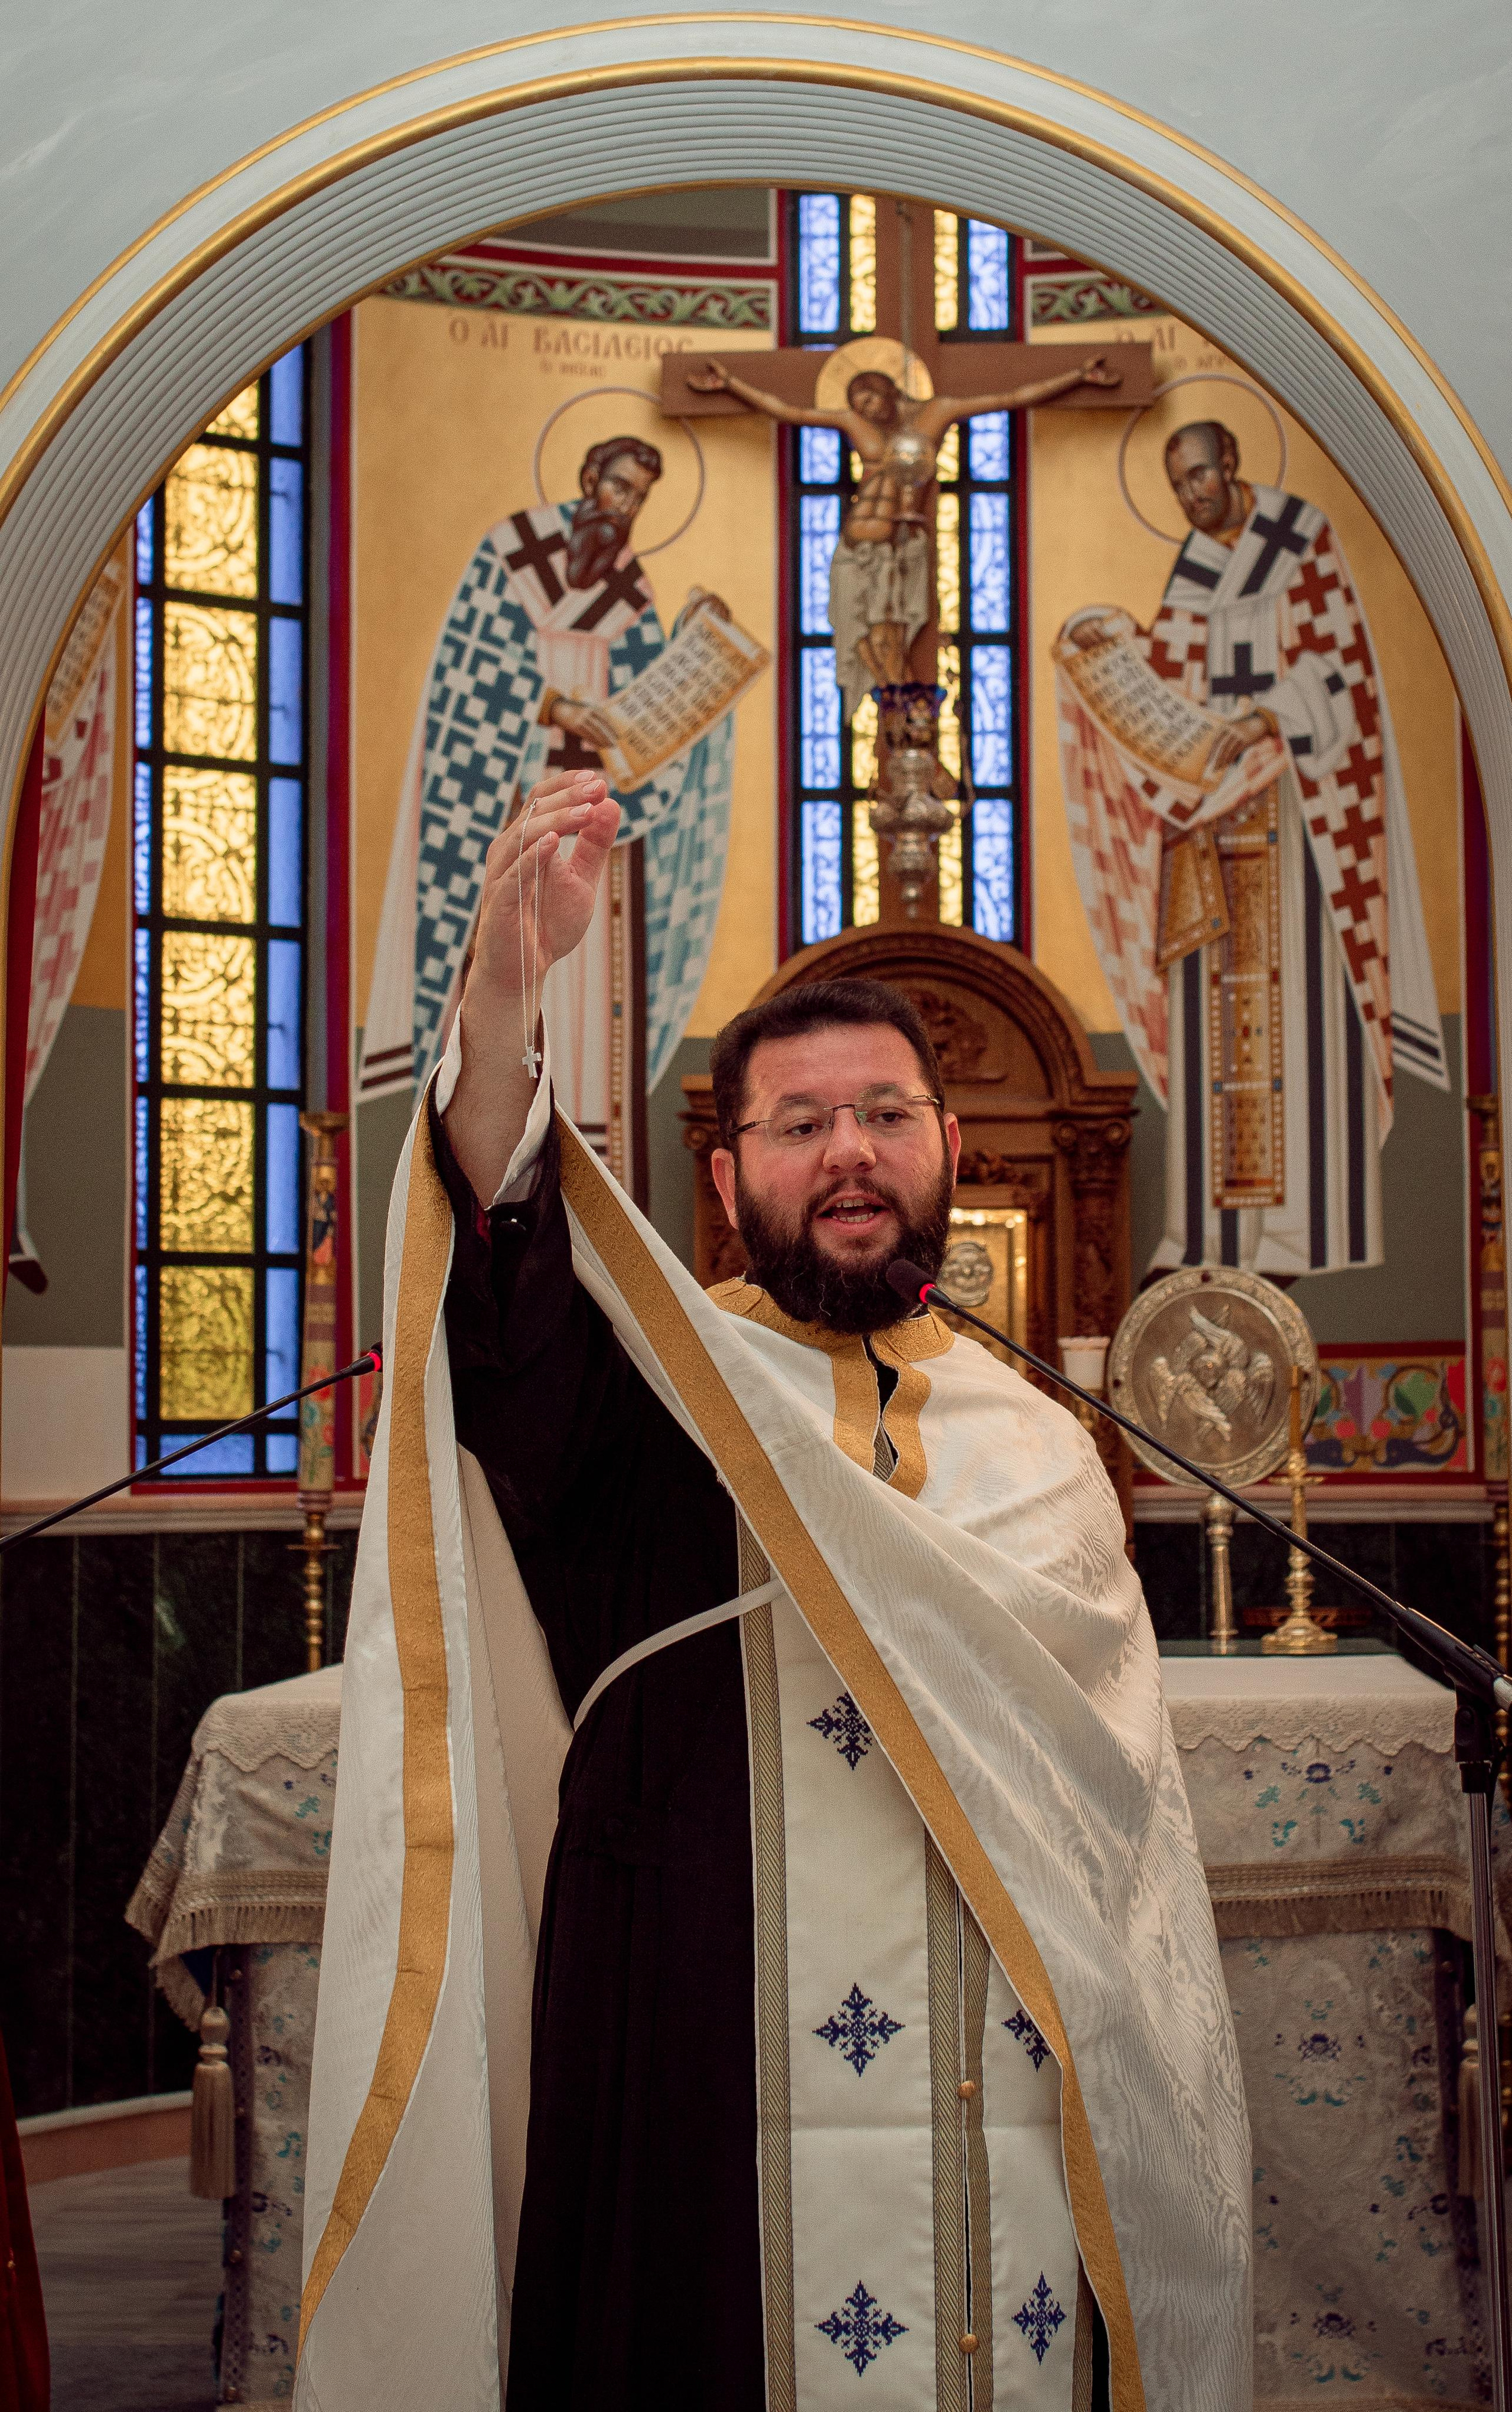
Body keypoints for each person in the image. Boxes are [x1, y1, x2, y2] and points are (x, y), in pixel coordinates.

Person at [298, 770, 1251, 2412]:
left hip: (1010, 2083)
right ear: (725, 1182)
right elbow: (508, 1282)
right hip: (696, 2068)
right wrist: (510, 1000)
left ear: (951, 1151)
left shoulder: (1036, 1437)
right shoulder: (663, 1397)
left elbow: (1119, 1832)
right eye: (799, 1124)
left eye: (883, 1113)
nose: (850, 1152)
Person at [1057, 418, 1446, 1277]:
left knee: (1301, 1013)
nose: (1193, 497)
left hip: (1293, 812)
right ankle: (1214, 1231)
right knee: (1212, 1018)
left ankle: (1307, 1226)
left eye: (1200, 476)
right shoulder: (1196, 566)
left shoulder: (1300, 541)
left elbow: (1341, 669)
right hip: (1212, 818)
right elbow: (1171, 668)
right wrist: (1111, 639)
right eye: (1178, 488)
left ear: (1231, 462)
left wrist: (1266, 719)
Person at [357, 433, 736, 1108]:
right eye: (618, 487)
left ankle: (575, 1120)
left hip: (593, 824)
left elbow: (651, 707)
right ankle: (480, 1122)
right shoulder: (512, 549)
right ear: (590, 476)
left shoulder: (631, 585)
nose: (624, 509)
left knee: (585, 997)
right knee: (498, 966)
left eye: (640, 500)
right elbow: (468, 673)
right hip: (507, 802)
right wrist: (561, 709)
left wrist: (692, 640)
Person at [689, 356, 1119, 718]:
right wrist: (731, 385)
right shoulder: (853, 424)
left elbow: (1009, 399)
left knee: (887, 639)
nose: (868, 409)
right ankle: (900, 707)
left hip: (895, 553)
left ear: (888, 388)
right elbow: (788, 412)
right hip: (852, 549)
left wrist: (1077, 377)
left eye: (871, 397)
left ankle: (907, 710)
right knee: (854, 632)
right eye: (859, 402)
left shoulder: (937, 413)